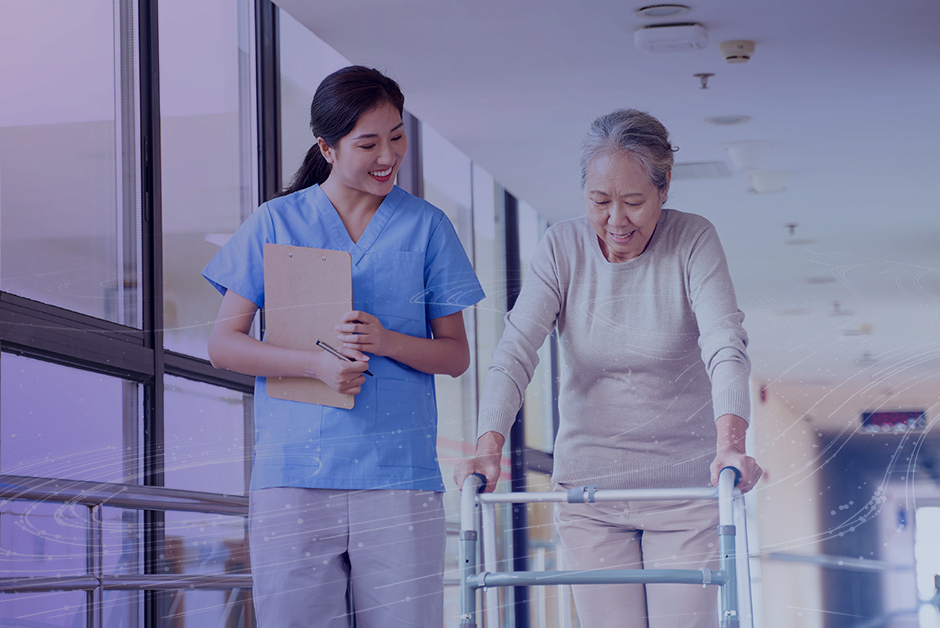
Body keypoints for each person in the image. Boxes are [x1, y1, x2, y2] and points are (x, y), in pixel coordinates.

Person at [454, 108, 764, 628]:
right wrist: (488, 449)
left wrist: (731, 444)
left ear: (664, 190)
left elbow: (724, 344)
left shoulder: (693, 240)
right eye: (600, 201)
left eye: (634, 202)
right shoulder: (561, 247)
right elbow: (515, 350)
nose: (616, 220)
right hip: (590, 492)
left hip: (682, 492)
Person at [203, 65, 484, 628]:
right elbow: (223, 345)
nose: (389, 156)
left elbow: (455, 355)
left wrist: (389, 340)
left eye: (397, 136)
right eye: (368, 143)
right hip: (295, 476)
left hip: (397, 476)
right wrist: (314, 365)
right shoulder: (275, 222)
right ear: (326, 148)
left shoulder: (427, 227)